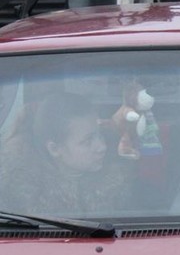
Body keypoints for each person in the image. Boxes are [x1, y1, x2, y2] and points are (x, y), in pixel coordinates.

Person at [0, 92, 134, 215]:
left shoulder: (121, 182)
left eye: (100, 134)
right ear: (54, 149)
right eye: (87, 141)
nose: (102, 147)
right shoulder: (16, 198)